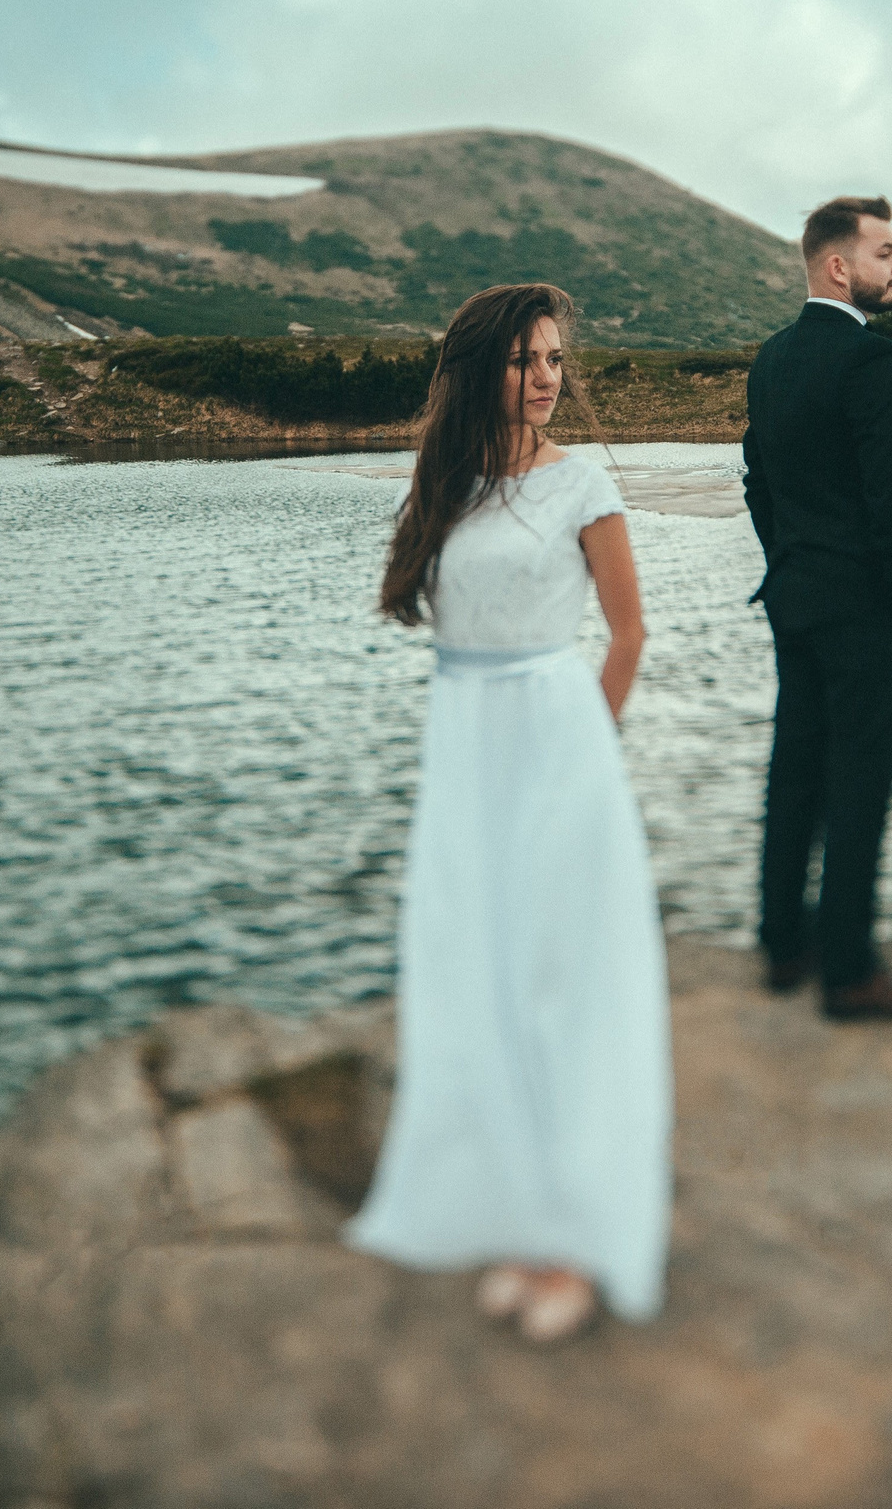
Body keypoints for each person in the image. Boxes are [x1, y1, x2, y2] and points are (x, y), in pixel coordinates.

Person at [344, 283, 672, 1345]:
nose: (545, 378)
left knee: (559, 989)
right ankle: (515, 1220)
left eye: (555, 361)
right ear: (479, 368)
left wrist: (586, 756)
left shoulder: (582, 486)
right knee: (473, 981)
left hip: (554, 743)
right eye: (525, 359)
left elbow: (626, 637)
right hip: (463, 749)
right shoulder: (449, 485)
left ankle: (576, 1239)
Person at [741, 196, 892, 1021]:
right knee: (860, 784)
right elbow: (891, 497)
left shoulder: (771, 360)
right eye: (887, 252)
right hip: (867, 610)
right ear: (841, 267)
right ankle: (851, 971)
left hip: (795, 596)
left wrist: (790, 561)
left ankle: (783, 940)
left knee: (795, 770)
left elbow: (760, 484)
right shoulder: (874, 362)